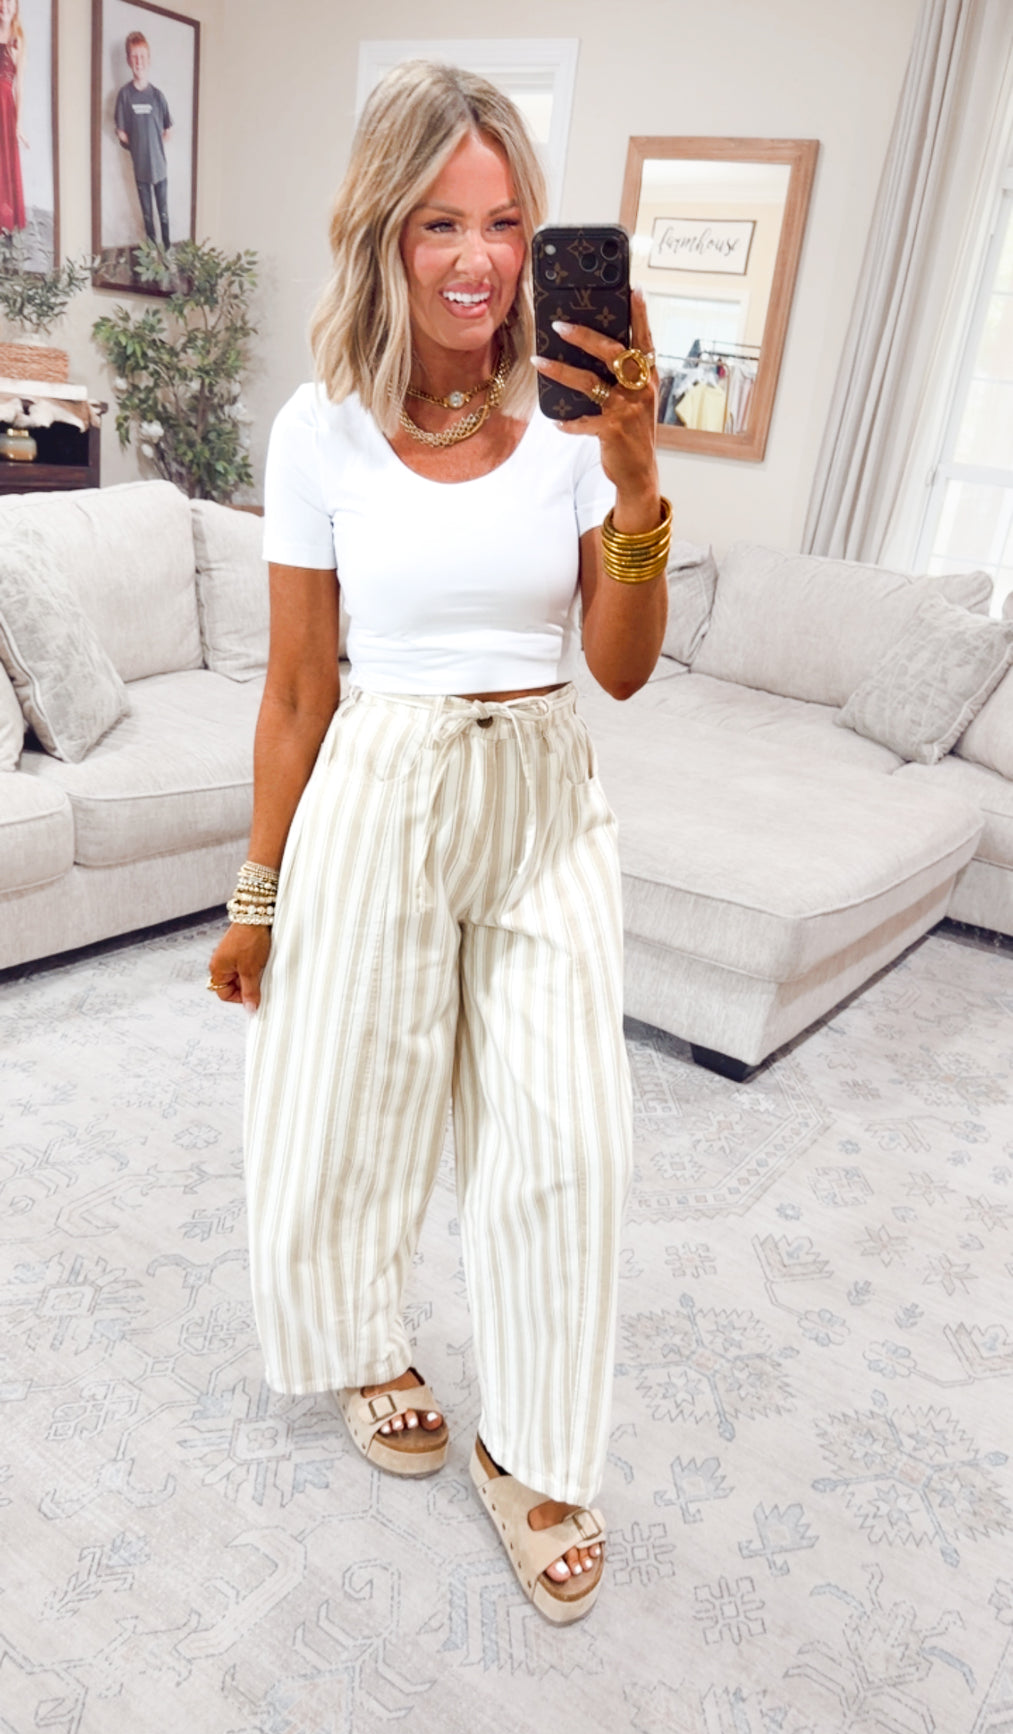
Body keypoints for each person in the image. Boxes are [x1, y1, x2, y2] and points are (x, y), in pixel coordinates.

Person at [207, 59, 670, 1626]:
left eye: (507, 221)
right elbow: (297, 687)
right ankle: (366, 1346)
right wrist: (257, 897)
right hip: (380, 785)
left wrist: (637, 481)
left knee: (569, 1137)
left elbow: (620, 668)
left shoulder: (576, 426)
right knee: (358, 1101)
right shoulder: (319, 430)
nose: (480, 260)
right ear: (384, 233)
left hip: (541, 795)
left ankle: (532, 1448)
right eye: (441, 223)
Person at [114, 30, 172, 248]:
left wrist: (153, 146)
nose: (139, 61)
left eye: (142, 56)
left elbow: (168, 130)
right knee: (147, 215)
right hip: (140, 171)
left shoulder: (157, 96)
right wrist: (139, 147)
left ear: (148, 59)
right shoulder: (125, 95)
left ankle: (167, 252)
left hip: (160, 169)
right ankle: (152, 255)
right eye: (134, 56)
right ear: (129, 60)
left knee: (163, 213)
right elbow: (121, 132)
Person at [0, 0, 26, 236]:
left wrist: (18, 124)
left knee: (5, 162)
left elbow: (19, 86)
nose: (4, 5)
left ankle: (5, 221)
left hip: (5, 106)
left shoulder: (18, 40)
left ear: (16, 6)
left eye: (10, 1)